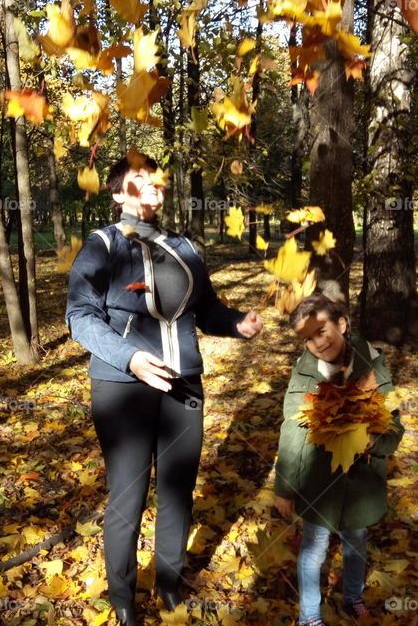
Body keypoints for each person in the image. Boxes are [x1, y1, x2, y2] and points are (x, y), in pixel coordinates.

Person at [65, 153, 263, 625]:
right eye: (139, 181)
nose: (153, 186)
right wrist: (130, 357)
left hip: (183, 384)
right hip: (122, 387)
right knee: (128, 495)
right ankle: (123, 600)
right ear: (118, 195)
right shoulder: (103, 246)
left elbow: (207, 308)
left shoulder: (185, 247)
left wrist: (237, 324)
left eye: (156, 179)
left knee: (177, 489)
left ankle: (170, 586)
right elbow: (80, 316)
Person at [273, 294, 403, 625]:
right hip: (319, 481)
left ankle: (352, 596)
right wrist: (285, 487)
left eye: (322, 331)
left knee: (356, 541)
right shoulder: (305, 374)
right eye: (307, 338)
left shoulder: (372, 366)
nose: (317, 343)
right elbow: (292, 429)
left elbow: (394, 424)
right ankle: (310, 616)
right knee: (315, 546)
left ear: (342, 323)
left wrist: (375, 442)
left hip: (360, 482)